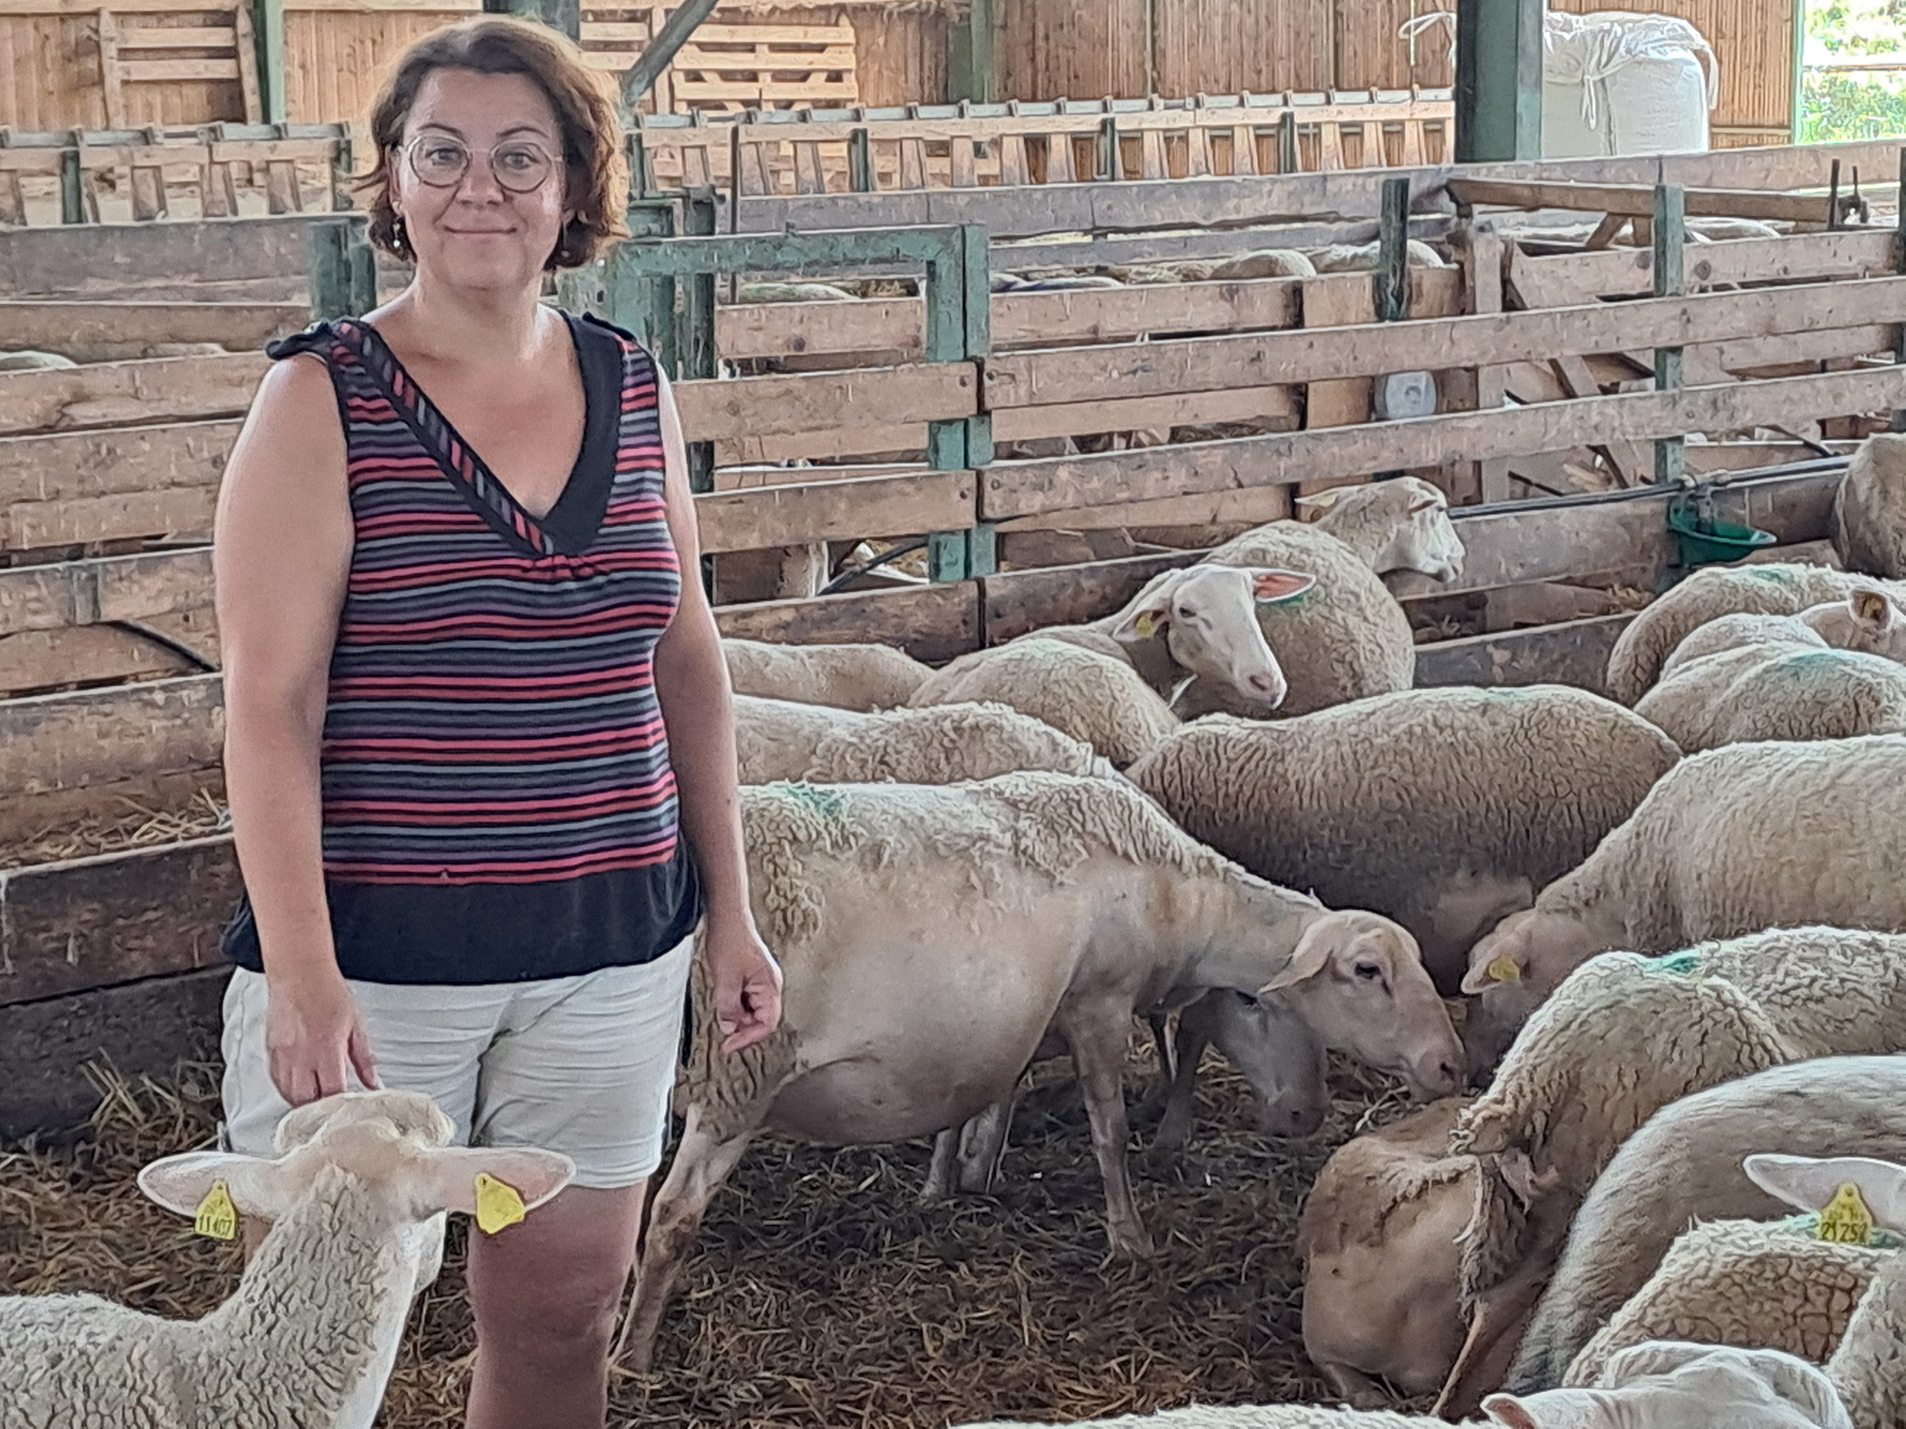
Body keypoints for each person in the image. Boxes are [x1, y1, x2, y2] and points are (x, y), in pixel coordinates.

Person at [209, 17, 782, 1428]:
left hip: (609, 949)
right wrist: (300, 973)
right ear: (391, 185)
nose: (482, 186)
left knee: (565, 1312)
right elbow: (266, 705)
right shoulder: (319, 397)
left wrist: (732, 909)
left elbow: (686, 655)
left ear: (576, 185)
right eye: (442, 153)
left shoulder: (631, 384)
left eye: (521, 156)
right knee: (307, 1342)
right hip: (379, 963)